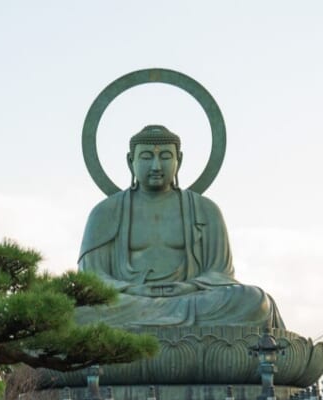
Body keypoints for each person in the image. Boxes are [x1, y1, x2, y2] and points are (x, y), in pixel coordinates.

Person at [78, 125, 285, 329]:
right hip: (129, 302)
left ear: (180, 160)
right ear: (130, 161)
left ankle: (145, 331)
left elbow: (220, 274)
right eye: (147, 157)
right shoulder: (105, 213)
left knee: (253, 300)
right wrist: (133, 290)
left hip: (191, 300)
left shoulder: (205, 210)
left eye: (166, 156)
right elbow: (92, 279)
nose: (156, 166)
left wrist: (189, 286)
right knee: (76, 310)